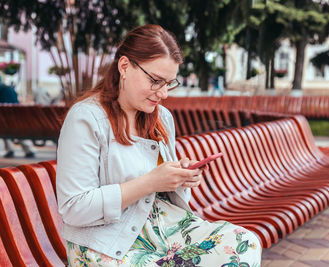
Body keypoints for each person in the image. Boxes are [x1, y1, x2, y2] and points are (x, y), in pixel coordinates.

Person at [56, 25, 261, 267]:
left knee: (245, 243)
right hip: (105, 240)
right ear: (124, 67)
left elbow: (165, 191)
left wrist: (180, 178)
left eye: (169, 83)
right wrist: (152, 181)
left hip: (163, 226)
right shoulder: (86, 118)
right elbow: (73, 208)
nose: (163, 93)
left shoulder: (161, 118)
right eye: (155, 81)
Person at [0, 75, 35, 158]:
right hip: (16, 118)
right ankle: (28, 149)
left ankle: (9, 150)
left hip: (5, 121)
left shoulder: (1, 90)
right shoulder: (9, 89)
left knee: (3, 126)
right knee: (15, 128)